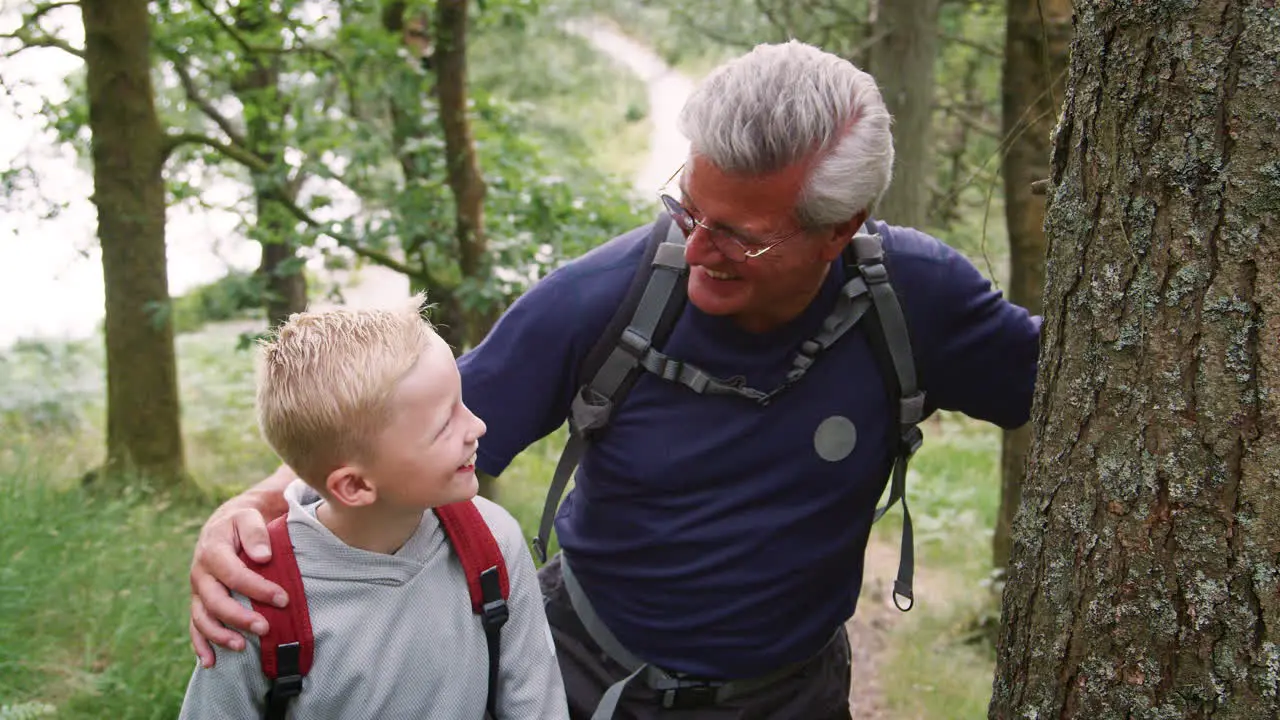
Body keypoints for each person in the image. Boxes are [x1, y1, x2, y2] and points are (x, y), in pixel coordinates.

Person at [187, 41, 1040, 719]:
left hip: (795, 696)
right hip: (588, 684)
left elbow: (1070, 390)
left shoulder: (919, 300)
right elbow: (385, 435)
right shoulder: (606, 297)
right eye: (686, 208)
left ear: (838, 230)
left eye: (737, 236)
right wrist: (254, 513)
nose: (696, 248)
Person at [178, 297, 568, 719]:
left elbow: (537, 705)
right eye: (444, 425)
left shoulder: (492, 542)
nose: (477, 427)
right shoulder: (257, 600)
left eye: (463, 402)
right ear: (356, 485)